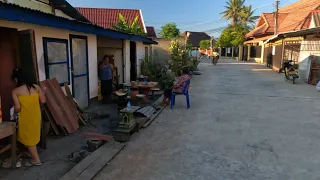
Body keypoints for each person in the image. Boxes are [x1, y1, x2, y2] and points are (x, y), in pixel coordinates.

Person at [11, 69, 46, 167]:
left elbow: (18, 107)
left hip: (26, 117)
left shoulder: (15, 91)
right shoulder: (36, 87)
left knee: (28, 136)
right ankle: (32, 154)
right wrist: (43, 92)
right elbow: (43, 101)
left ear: (17, 79)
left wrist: (13, 112)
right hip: (36, 115)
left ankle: (36, 160)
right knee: (33, 135)